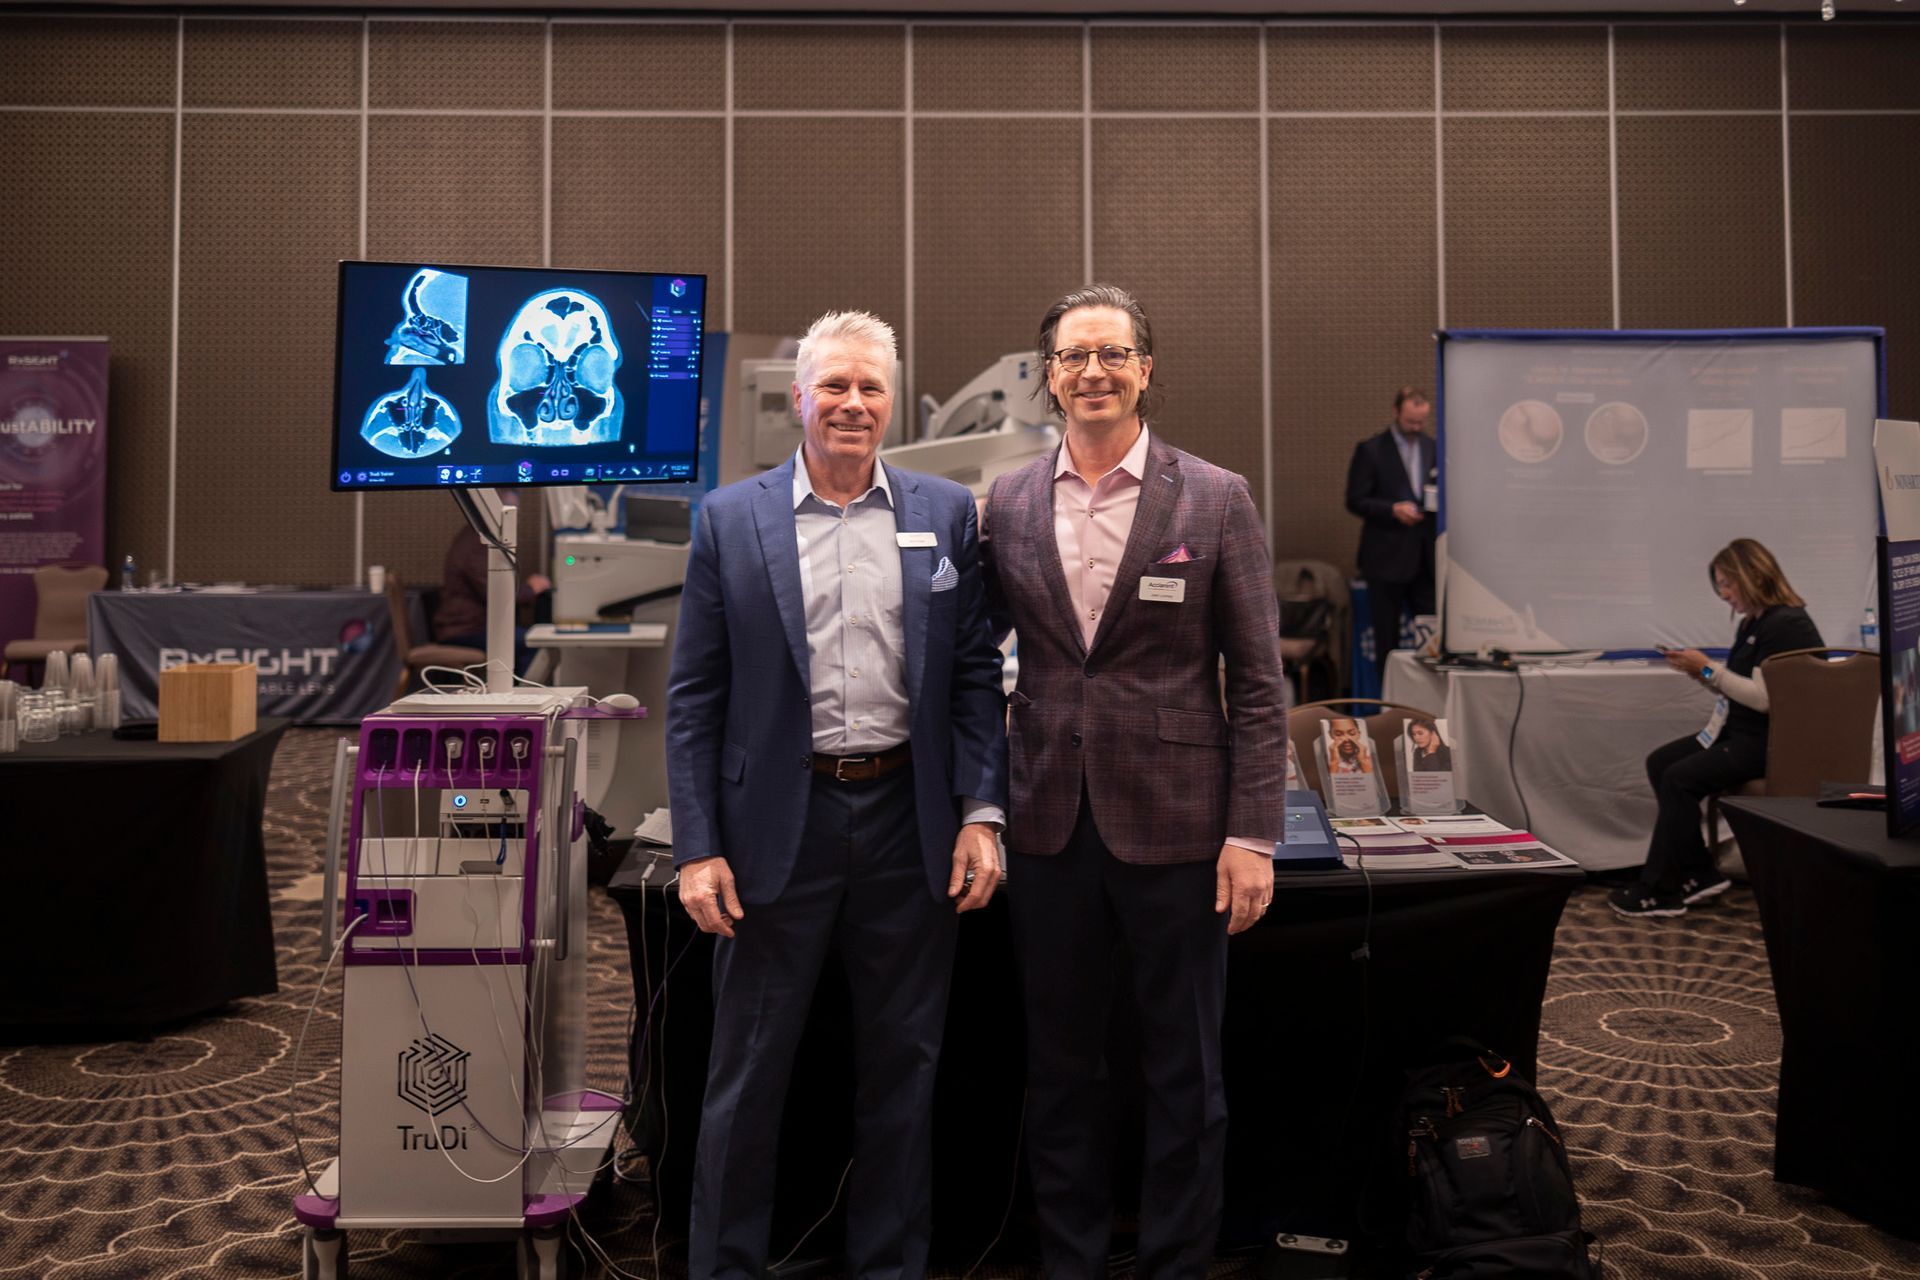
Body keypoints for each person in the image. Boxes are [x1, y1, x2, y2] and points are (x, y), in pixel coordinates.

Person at [663, 310, 1007, 1279]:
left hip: (911, 822)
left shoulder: (945, 511)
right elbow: (693, 699)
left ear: (892, 399)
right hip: (778, 826)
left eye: (872, 387)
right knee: (748, 1073)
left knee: (906, 1066)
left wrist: (983, 809)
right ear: (800, 397)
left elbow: (976, 675)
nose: (853, 403)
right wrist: (697, 845)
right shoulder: (731, 518)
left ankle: (889, 1264)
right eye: (835, 386)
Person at [982, 284, 1287, 1279]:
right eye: (1074, 357)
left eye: (1114, 354)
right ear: (1050, 375)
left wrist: (1255, 832)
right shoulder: (1012, 500)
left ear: (1146, 369)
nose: (1094, 372)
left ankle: (1174, 1262)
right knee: (1062, 1068)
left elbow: (1260, 680)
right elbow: (970, 659)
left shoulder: (1216, 495)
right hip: (1045, 826)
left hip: (1181, 828)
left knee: (1183, 1070)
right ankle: (1069, 1259)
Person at [1611, 538, 1823, 919]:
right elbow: (1739, 686)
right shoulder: (1756, 621)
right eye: (1720, 585)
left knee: (1678, 778)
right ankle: (1700, 873)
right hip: (1738, 733)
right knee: (1661, 763)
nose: (1724, 594)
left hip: (1769, 744)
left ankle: (1659, 889)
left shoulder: (1786, 625)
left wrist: (1708, 669)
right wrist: (1701, 673)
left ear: (1752, 576)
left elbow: (1764, 699)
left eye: (1728, 584)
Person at [1346, 387, 1437, 678]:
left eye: (1421, 423)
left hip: (1425, 559)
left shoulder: (1433, 448)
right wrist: (1391, 509)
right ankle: (1388, 705)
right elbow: (1355, 499)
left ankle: (1427, 704)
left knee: (1430, 636)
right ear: (1396, 412)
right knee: (1387, 639)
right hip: (1385, 559)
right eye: (1410, 422)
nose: (1416, 428)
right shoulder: (1371, 450)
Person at [433, 489, 551, 675]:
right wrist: (531, 589)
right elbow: (496, 594)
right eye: (510, 514)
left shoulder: (477, 537)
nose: (515, 520)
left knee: (530, 638)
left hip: (471, 626)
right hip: (465, 630)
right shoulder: (479, 545)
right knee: (533, 643)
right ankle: (522, 696)